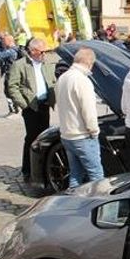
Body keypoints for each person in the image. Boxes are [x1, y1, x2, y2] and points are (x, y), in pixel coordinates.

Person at [7, 39, 58, 182]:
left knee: (45, 138)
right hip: (31, 107)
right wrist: (24, 104)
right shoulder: (20, 65)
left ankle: (43, 168)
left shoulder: (46, 64)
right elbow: (12, 86)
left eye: (46, 52)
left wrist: (53, 97)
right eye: (42, 52)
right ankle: (27, 169)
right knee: (32, 138)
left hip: (44, 105)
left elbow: (52, 81)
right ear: (33, 51)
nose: (44, 54)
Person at [55, 48, 104, 188]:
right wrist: (94, 131)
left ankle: (72, 204)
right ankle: (98, 205)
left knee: (76, 175)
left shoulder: (63, 78)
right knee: (96, 175)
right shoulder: (82, 81)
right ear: (90, 63)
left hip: (67, 134)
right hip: (82, 135)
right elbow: (88, 110)